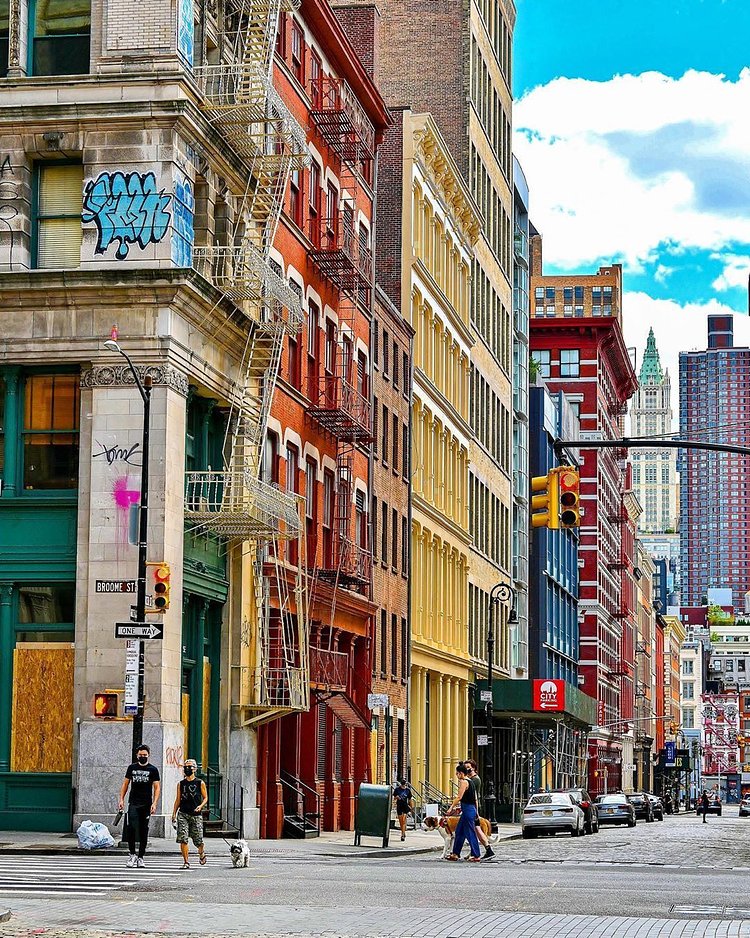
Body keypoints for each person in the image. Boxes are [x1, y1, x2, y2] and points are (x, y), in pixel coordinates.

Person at [118, 744, 161, 868]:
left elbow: (157, 787)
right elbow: (125, 784)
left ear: (148, 755)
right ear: (137, 755)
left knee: (143, 830)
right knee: (131, 828)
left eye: (145, 755)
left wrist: (154, 803)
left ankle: (141, 856)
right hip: (133, 802)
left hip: (146, 803)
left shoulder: (153, 770)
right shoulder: (131, 768)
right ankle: (132, 854)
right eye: (140, 755)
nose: (142, 757)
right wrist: (121, 799)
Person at [171, 758, 208, 869]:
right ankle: (186, 861)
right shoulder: (181, 784)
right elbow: (178, 799)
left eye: (190, 766)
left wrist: (200, 806)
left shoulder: (199, 783)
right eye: (186, 766)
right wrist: (174, 813)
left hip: (196, 815)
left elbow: (205, 797)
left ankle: (201, 853)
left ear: (195, 769)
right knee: (183, 838)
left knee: (198, 840)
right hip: (183, 813)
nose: (187, 768)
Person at [444, 763, 481, 862]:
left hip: (468, 810)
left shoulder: (464, 782)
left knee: (470, 832)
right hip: (469, 809)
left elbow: (459, 797)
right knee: (459, 831)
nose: (456, 776)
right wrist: (476, 811)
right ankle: (455, 853)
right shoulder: (471, 782)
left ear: (461, 773)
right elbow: (474, 799)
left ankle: (476, 854)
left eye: (457, 773)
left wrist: (451, 807)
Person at [464, 758, 494, 860]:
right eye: (466, 768)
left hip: (472, 807)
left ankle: (487, 850)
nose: (467, 769)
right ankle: (476, 851)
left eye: (469, 768)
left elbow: (473, 796)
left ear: (474, 768)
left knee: (476, 830)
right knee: (474, 830)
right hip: (471, 807)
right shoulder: (470, 779)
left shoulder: (475, 780)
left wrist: (476, 811)